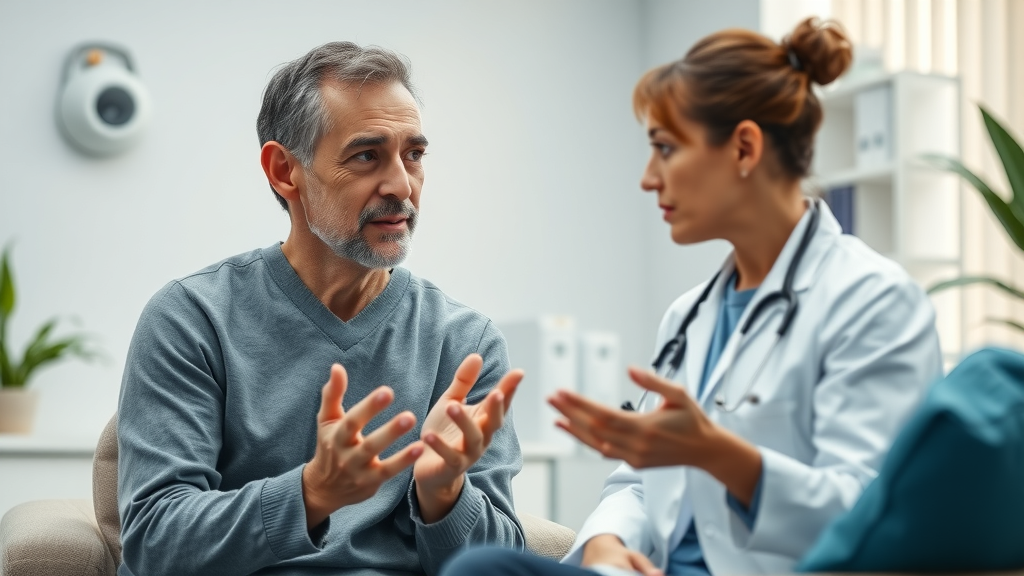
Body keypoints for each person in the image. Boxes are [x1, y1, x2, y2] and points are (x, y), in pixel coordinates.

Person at [441, 17, 942, 576]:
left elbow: (872, 515)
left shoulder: (874, 302)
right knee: (484, 568)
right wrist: (606, 541)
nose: (648, 178)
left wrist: (719, 454)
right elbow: (637, 482)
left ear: (744, 148)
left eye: (665, 148)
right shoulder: (690, 316)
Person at [117, 42, 525, 576]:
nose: (402, 185)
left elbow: (502, 565)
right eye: (367, 156)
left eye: (414, 155)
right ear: (285, 170)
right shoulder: (192, 318)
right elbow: (155, 542)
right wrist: (310, 495)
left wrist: (443, 493)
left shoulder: (465, 343)